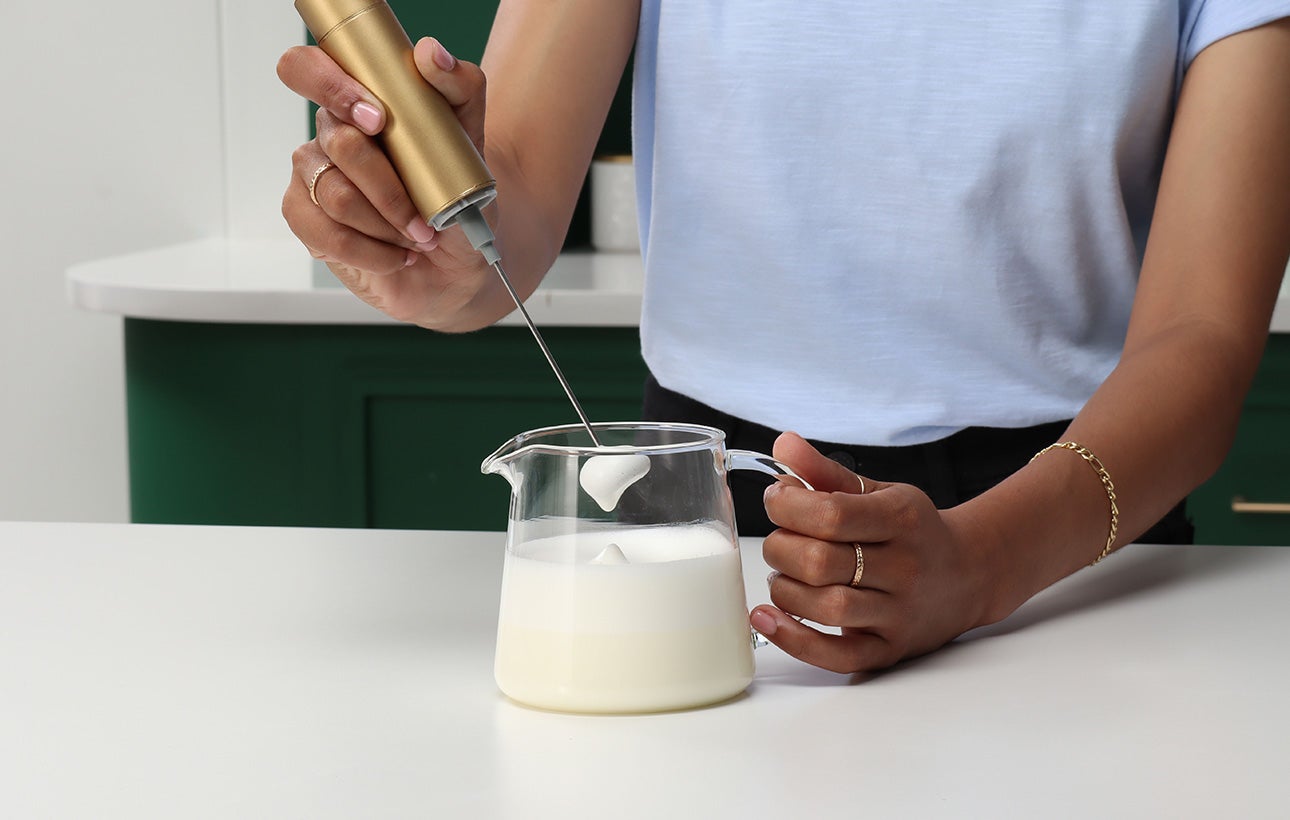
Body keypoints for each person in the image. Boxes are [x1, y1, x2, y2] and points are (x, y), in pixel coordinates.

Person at [278, 2, 1290, 676]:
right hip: (711, 528)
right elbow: (512, 210)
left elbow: (1201, 332)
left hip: (1077, 538)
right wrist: (425, 249)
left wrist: (984, 565)